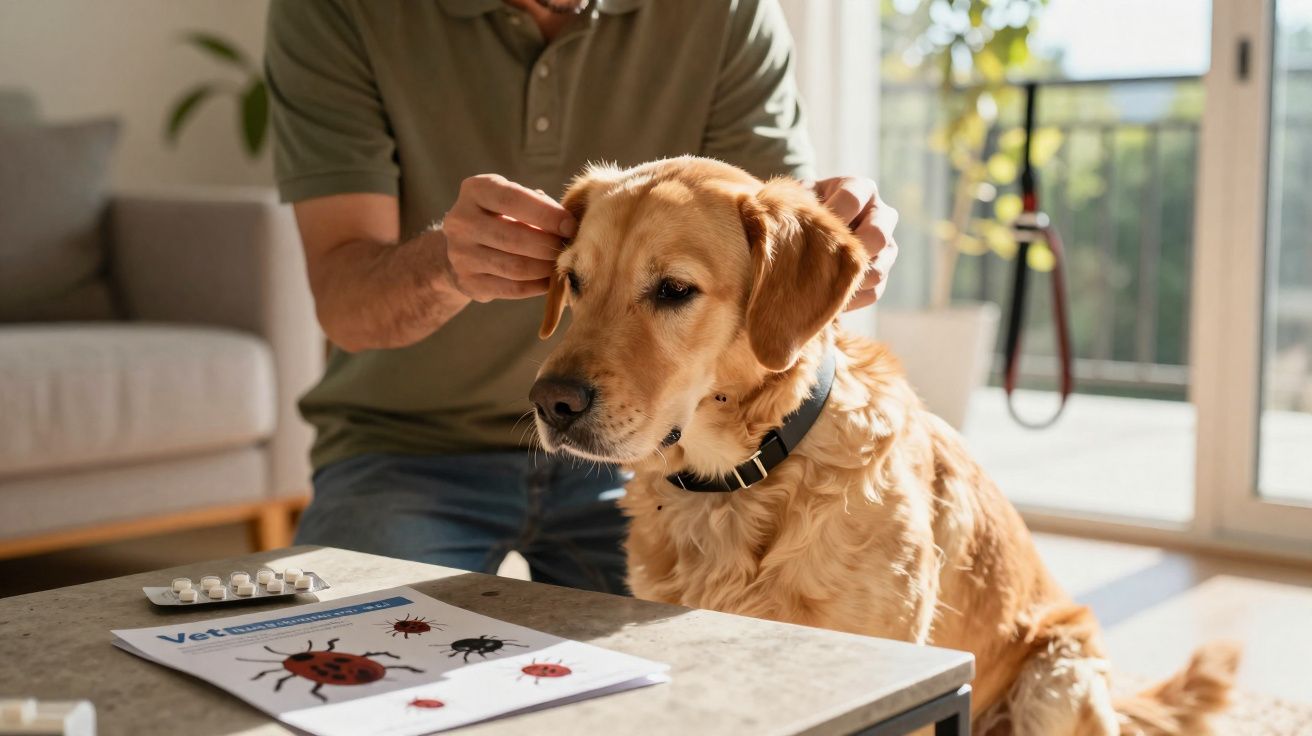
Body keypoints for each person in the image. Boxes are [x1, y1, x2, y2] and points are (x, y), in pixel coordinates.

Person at [265, 0, 899, 595]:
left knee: (697, 691)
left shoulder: (724, 11)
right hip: (407, 450)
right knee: (329, 671)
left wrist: (834, 238)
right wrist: (443, 265)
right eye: (577, 280)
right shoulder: (337, 10)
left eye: (671, 290)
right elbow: (344, 306)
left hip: (659, 464)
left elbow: (774, 243)